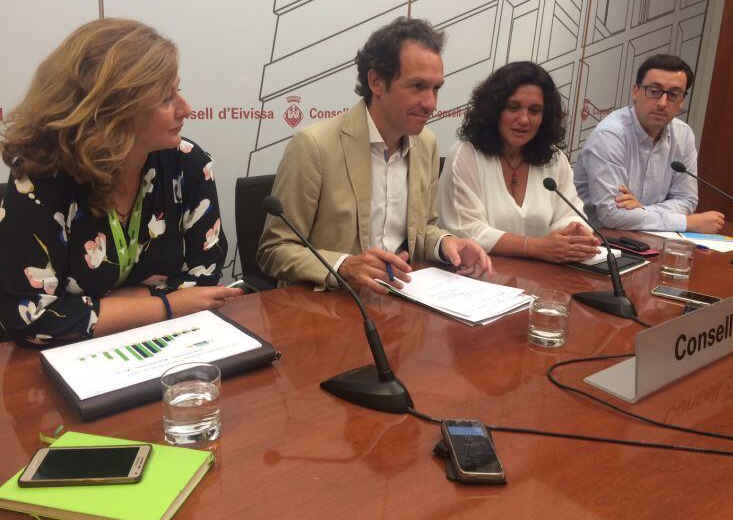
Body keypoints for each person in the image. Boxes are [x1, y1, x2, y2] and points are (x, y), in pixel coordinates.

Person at [0, 18, 240, 347]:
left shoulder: (189, 164)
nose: (186, 109)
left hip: (170, 346)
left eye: (178, 91)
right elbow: (33, 320)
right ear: (113, 112)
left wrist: (112, 307)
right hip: (71, 362)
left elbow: (205, 278)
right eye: (166, 98)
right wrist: (165, 304)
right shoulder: (40, 183)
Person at [258, 17, 493, 293]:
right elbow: (275, 249)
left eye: (436, 88)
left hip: (399, 300)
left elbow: (423, 229)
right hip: (327, 305)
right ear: (376, 82)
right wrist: (344, 266)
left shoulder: (426, 144)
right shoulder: (314, 145)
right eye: (417, 86)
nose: (431, 103)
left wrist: (447, 244)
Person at [438, 61, 599, 263]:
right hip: (477, 278)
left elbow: (569, 214)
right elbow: (467, 230)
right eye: (513, 108)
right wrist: (537, 247)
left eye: (534, 110)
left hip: (542, 280)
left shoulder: (555, 159)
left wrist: (576, 232)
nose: (524, 120)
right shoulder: (466, 155)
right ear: (494, 110)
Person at [573, 53, 724, 232]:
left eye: (674, 94)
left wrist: (642, 210)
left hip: (650, 239)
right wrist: (687, 222)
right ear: (636, 92)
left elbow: (686, 200)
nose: (662, 103)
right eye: (654, 91)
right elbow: (611, 215)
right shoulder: (610, 135)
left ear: (682, 100)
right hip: (600, 241)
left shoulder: (683, 135)